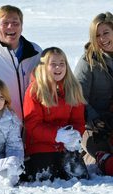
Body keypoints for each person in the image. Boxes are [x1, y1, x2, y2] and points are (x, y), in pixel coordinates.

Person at [22, 47, 89, 182]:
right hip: (41, 147)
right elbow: (32, 125)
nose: (58, 67)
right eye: (53, 64)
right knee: (48, 177)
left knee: (80, 176)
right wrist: (56, 135)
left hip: (66, 146)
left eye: (62, 63)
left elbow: (78, 121)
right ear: (44, 66)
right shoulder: (35, 90)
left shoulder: (73, 88)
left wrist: (74, 136)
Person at [74, 12, 113, 176]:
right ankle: (96, 157)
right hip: (94, 124)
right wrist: (93, 118)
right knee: (103, 150)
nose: (102, 39)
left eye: (106, 33)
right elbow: (77, 96)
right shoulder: (88, 61)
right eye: (97, 35)